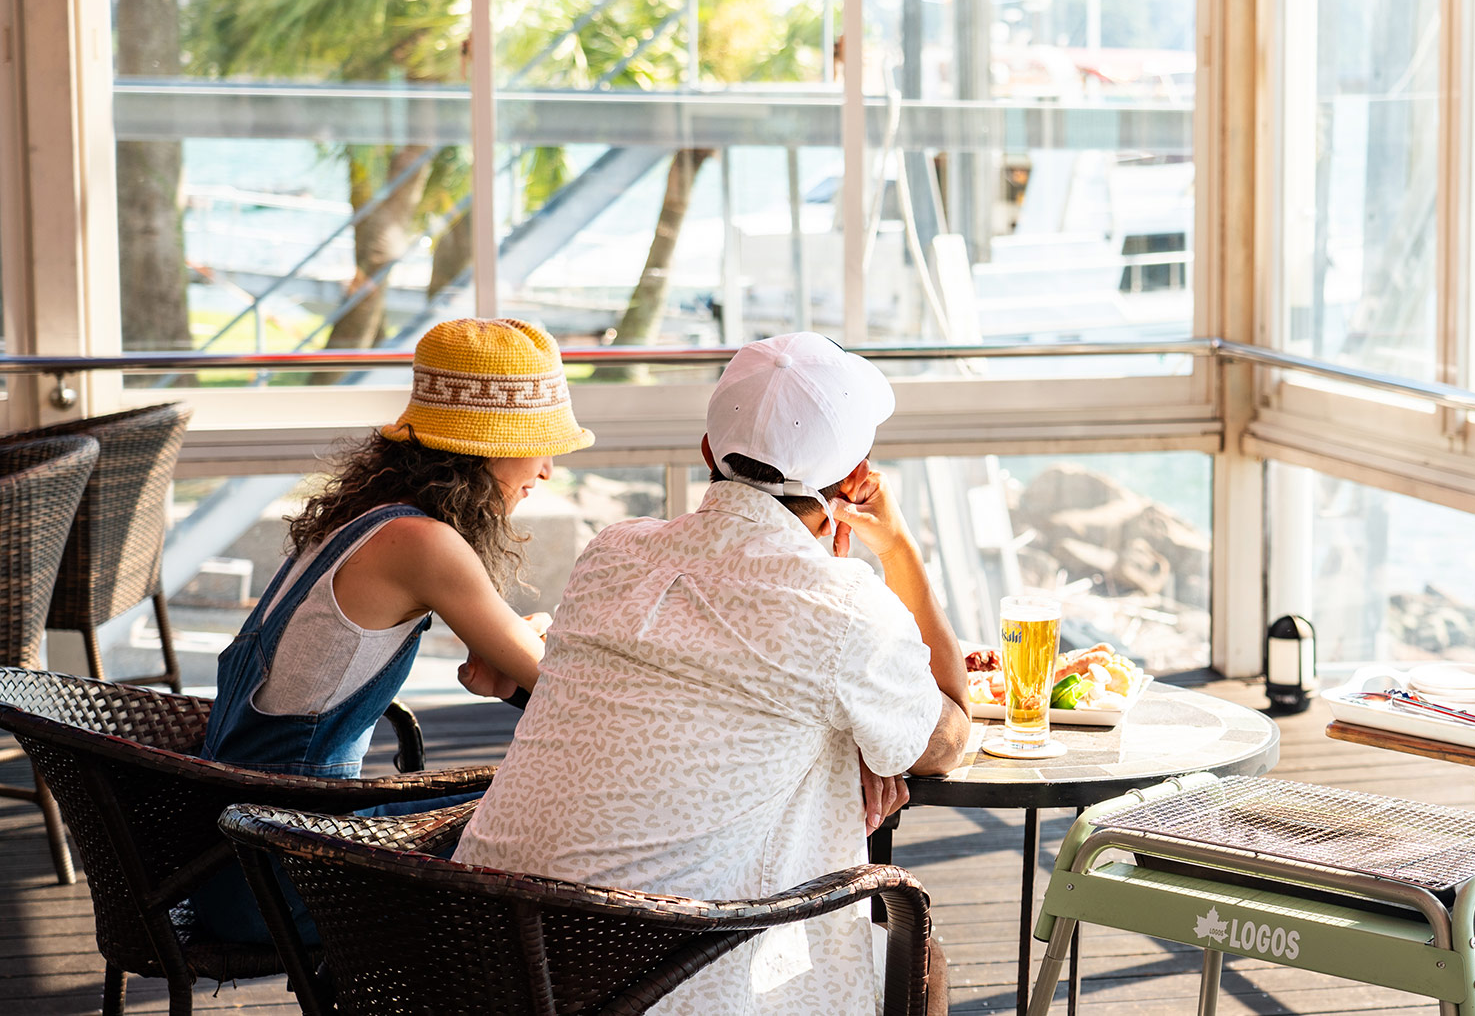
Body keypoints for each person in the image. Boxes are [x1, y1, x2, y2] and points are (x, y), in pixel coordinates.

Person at [454, 331, 971, 1016]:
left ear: (707, 451)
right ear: (852, 481)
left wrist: (838, 739)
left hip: (471, 957)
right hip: (650, 977)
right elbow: (950, 734)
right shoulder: (843, 611)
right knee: (916, 959)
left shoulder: (612, 553)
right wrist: (898, 544)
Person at [194, 317, 594, 940]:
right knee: (556, 820)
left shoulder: (367, 517)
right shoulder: (422, 542)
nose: (546, 469)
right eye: (540, 443)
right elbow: (564, 690)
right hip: (289, 870)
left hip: (236, 850)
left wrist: (512, 655)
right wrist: (536, 648)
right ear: (487, 443)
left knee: (520, 817)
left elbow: (508, 666)